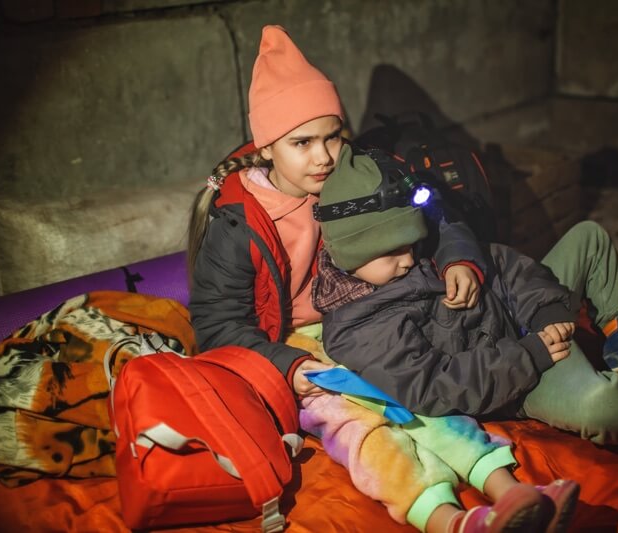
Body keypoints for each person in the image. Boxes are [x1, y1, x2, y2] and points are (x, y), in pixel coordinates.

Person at [188, 25, 574, 533]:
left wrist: (460, 258)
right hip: (299, 345)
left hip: (377, 313)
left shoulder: (356, 172)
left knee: (421, 395)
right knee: (363, 423)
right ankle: (447, 519)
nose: (323, 156)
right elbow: (218, 326)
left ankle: (512, 492)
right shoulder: (238, 222)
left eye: (332, 136)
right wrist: (289, 365)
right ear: (266, 149)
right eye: (302, 143)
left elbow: (435, 212)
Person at [314, 144, 618, 448]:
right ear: (353, 252)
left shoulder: (419, 253)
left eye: (412, 243)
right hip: (519, 376)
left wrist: (549, 309)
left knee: (588, 236)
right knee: (603, 409)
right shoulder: (358, 327)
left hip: (531, 324)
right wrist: (531, 353)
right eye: (392, 252)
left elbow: (506, 265)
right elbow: (437, 386)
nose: (410, 258)